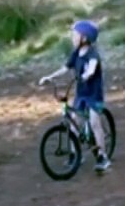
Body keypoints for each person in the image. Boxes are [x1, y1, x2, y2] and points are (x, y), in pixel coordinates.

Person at [38, 20, 111, 172]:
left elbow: (92, 67)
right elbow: (65, 68)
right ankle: (75, 153)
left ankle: (103, 157)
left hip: (93, 95)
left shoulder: (92, 54)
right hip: (81, 93)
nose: (72, 37)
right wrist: (50, 77)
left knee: (94, 122)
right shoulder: (76, 53)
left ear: (85, 38)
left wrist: (87, 74)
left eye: (75, 35)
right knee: (73, 123)